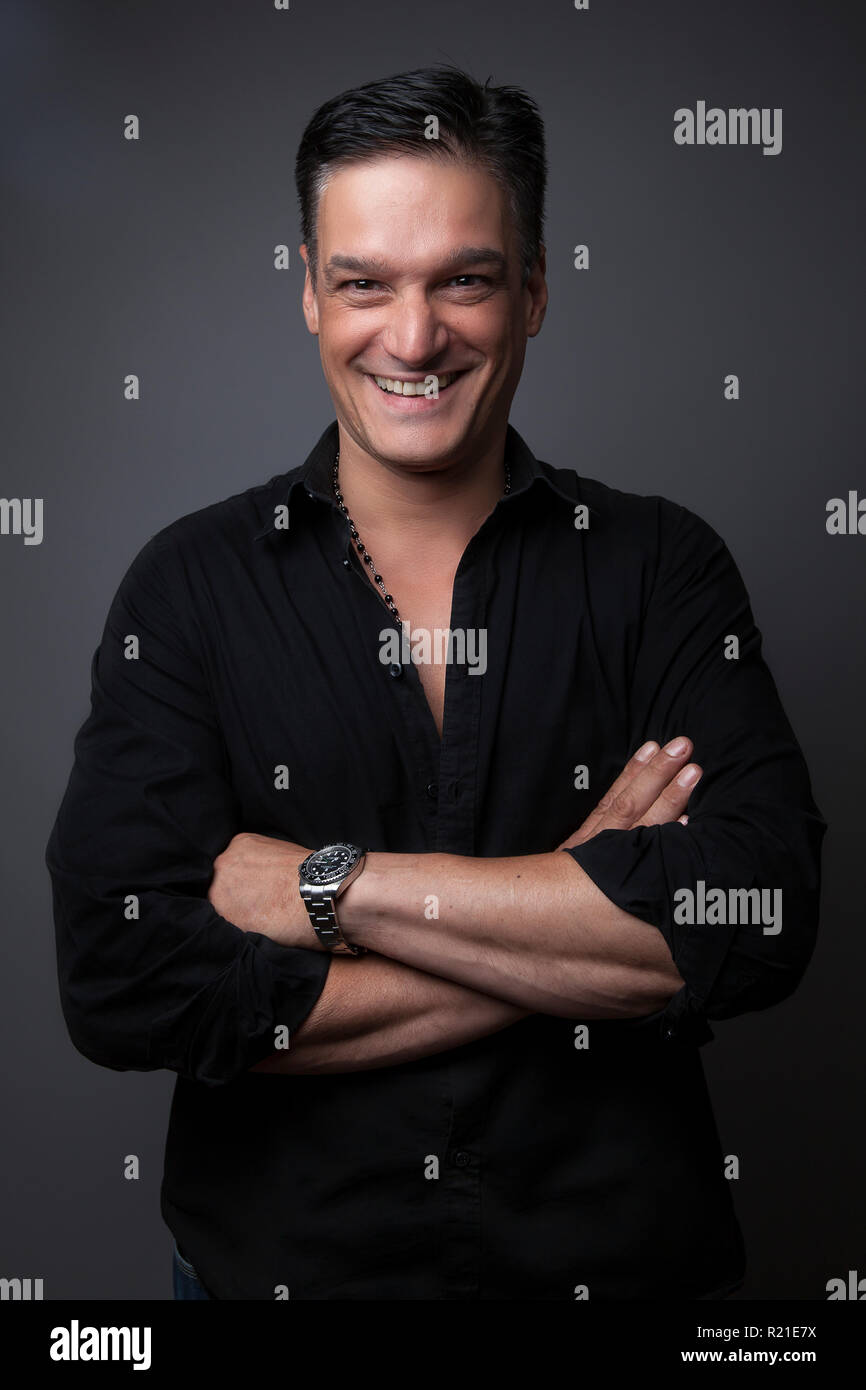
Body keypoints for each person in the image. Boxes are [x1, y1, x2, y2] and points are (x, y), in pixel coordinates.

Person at [46, 64, 826, 1301]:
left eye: (462, 279)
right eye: (364, 283)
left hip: (624, 1279)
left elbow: (755, 915)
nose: (413, 338)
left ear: (532, 292)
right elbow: (125, 982)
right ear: (307, 292)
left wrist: (326, 885)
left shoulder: (663, 565)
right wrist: (568, 919)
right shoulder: (186, 587)